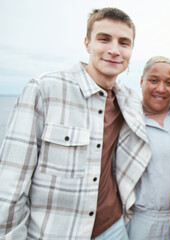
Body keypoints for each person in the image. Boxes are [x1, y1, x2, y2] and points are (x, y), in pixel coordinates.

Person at [0, 8, 150, 239]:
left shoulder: (129, 101)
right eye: (104, 39)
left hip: (114, 228)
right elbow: (10, 182)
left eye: (123, 42)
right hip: (54, 232)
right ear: (87, 43)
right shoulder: (44, 89)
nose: (114, 50)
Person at [126, 56, 170, 239]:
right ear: (142, 81)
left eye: (169, 82)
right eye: (154, 80)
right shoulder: (127, 121)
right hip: (142, 221)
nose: (161, 89)